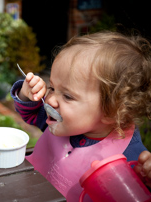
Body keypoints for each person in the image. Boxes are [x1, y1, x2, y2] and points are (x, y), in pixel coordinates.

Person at [11, 31, 151, 201]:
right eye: (52, 88)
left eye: (68, 96)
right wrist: (27, 95)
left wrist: (146, 180)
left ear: (111, 111)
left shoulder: (131, 158)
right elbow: (31, 114)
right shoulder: (61, 121)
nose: (51, 100)